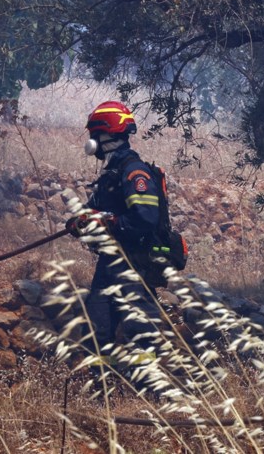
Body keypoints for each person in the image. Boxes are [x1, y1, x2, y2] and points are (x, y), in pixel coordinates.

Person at [65, 101, 171, 373]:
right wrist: (79, 221)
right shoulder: (111, 175)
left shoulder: (134, 172)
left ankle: (146, 389)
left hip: (134, 264)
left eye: (94, 134)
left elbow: (145, 218)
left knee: (140, 334)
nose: (92, 141)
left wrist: (109, 221)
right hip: (109, 264)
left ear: (106, 134)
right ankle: (103, 389)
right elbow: (93, 212)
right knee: (97, 330)